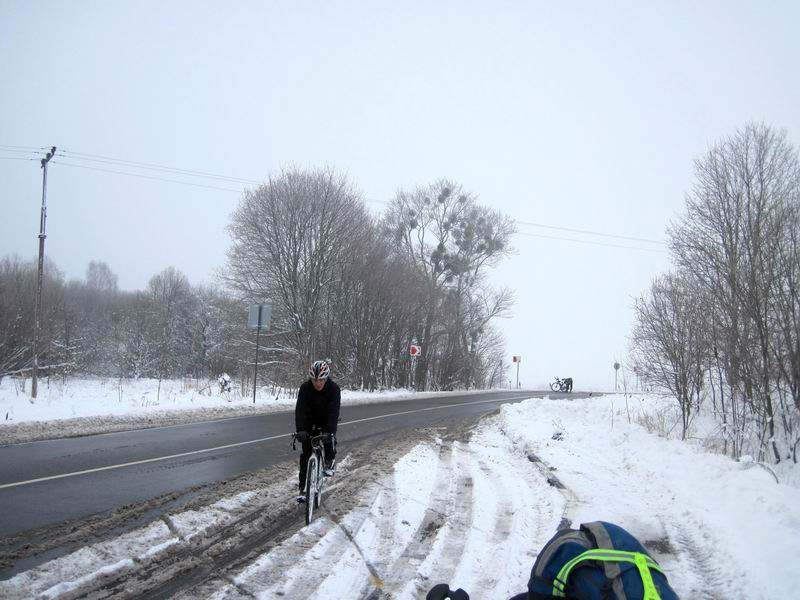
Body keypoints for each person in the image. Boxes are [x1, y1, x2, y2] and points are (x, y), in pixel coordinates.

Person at [295, 360, 341, 503]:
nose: (318, 383)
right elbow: (300, 411)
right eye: (315, 380)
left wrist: (330, 431)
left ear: (326, 378)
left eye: (321, 380)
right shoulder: (305, 389)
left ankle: (329, 460)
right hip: (309, 421)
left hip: (326, 420)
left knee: (328, 439)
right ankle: (303, 487)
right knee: (306, 453)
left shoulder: (334, 389)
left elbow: (334, 412)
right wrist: (301, 430)